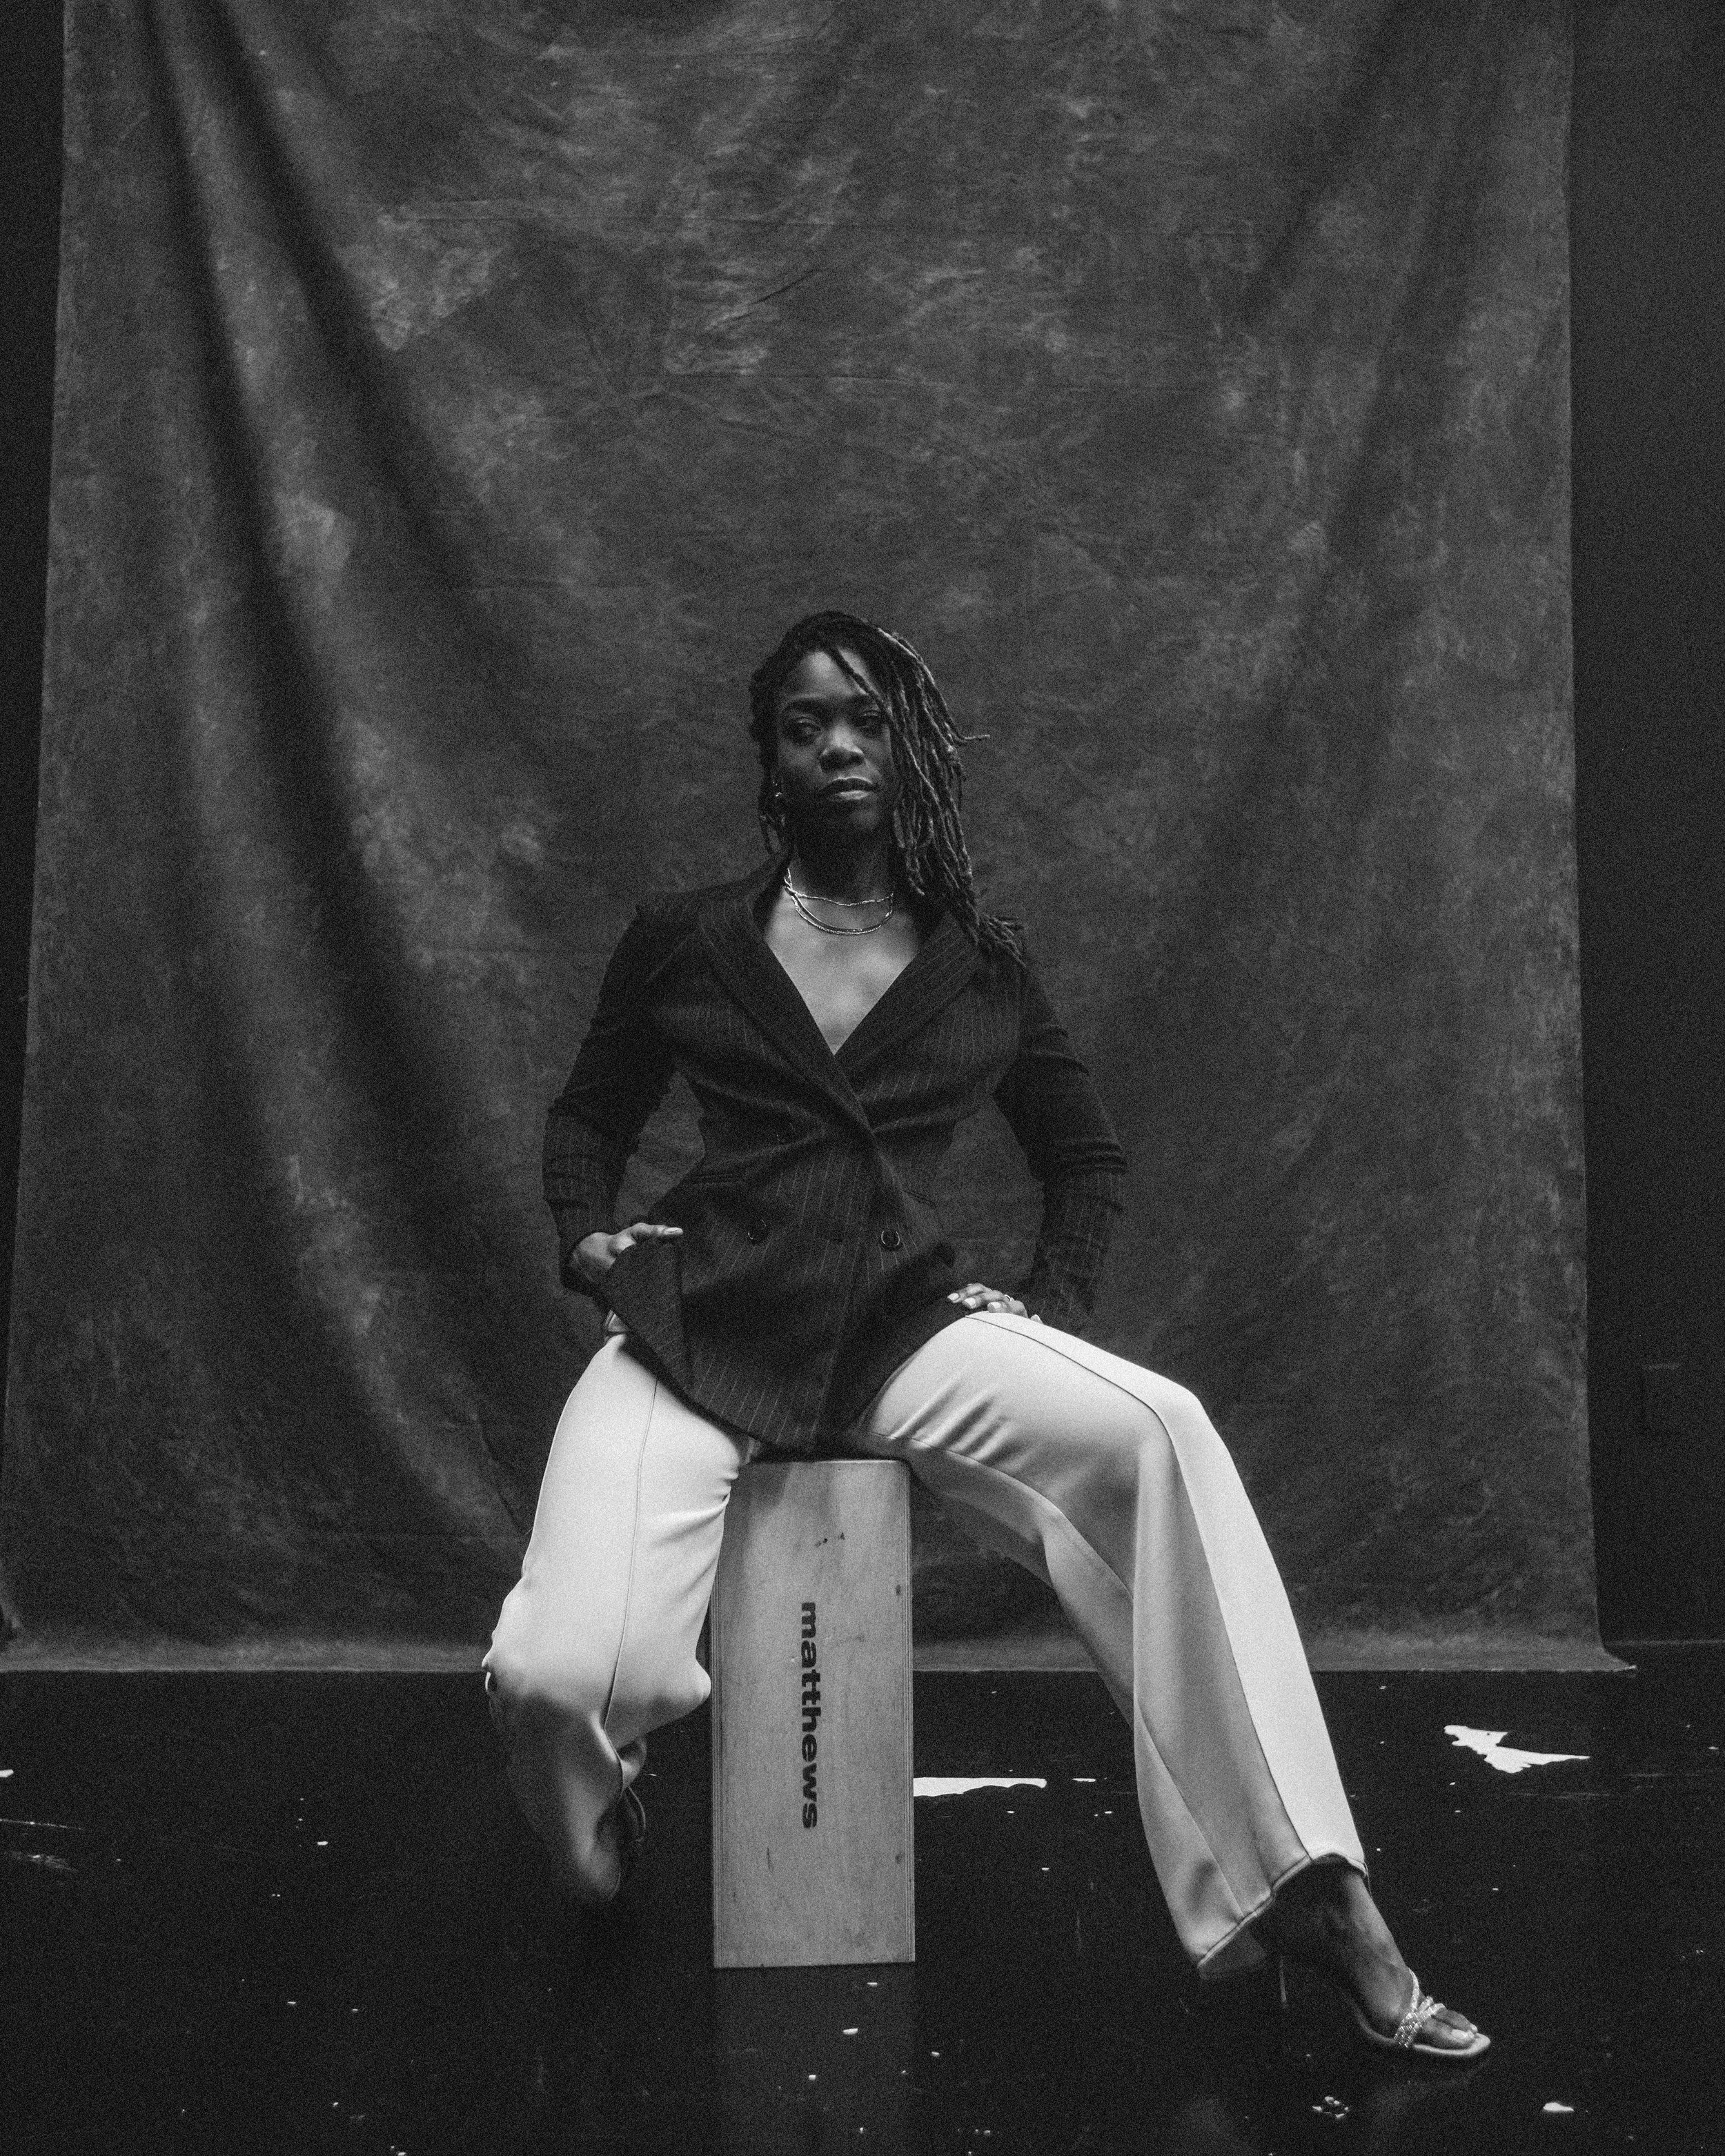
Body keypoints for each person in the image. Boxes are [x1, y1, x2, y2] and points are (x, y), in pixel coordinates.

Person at [484, 611, 1488, 2060]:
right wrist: (586, 1234)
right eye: (805, 725)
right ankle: (599, 1823)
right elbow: (589, 1115)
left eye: (867, 721)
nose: (838, 746)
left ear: (912, 751)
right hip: (695, 1323)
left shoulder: (979, 962)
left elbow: (1084, 1157)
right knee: (552, 1677)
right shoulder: (687, 938)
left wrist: (1045, 1301)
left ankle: (1309, 1892)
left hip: (898, 1331)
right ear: (769, 758)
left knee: (1157, 1430)